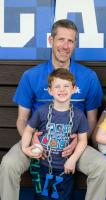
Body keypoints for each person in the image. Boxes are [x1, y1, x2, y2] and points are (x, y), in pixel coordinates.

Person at [0, 19, 106, 200]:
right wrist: (31, 142)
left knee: (101, 165)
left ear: (75, 44)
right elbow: (22, 120)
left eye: (70, 41)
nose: (65, 46)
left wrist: (78, 144)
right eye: (61, 39)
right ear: (51, 41)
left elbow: (92, 120)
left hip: (72, 146)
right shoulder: (31, 76)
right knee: (8, 164)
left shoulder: (88, 76)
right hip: (39, 144)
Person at [21, 68, 88, 199]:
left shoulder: (79, 116)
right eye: (57, 86)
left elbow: (82, 140)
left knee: (64, 197)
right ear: (50, 91)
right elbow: (28, 130)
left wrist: (73, 160)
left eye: (66, 86)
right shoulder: (42, 111)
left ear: (74, 89)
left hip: (66, 169)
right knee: (42, 197)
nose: (62, 90)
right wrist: (25, 148)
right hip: (44, 166)